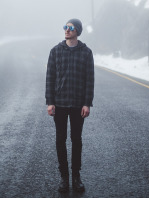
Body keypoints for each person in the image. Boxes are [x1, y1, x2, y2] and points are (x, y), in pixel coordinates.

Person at [45, 18, 95, 193]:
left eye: (70, 28)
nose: (66, 30)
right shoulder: (55, 51)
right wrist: (50, 102)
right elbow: (50, 79)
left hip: (77, 105)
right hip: (59, 104)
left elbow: (90, 80)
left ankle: (76, 176)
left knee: (76, 140)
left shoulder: (86, 53)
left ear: (78, 31)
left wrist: (87, 103)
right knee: (60, 140)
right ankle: (64, 178)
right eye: (65, 27)